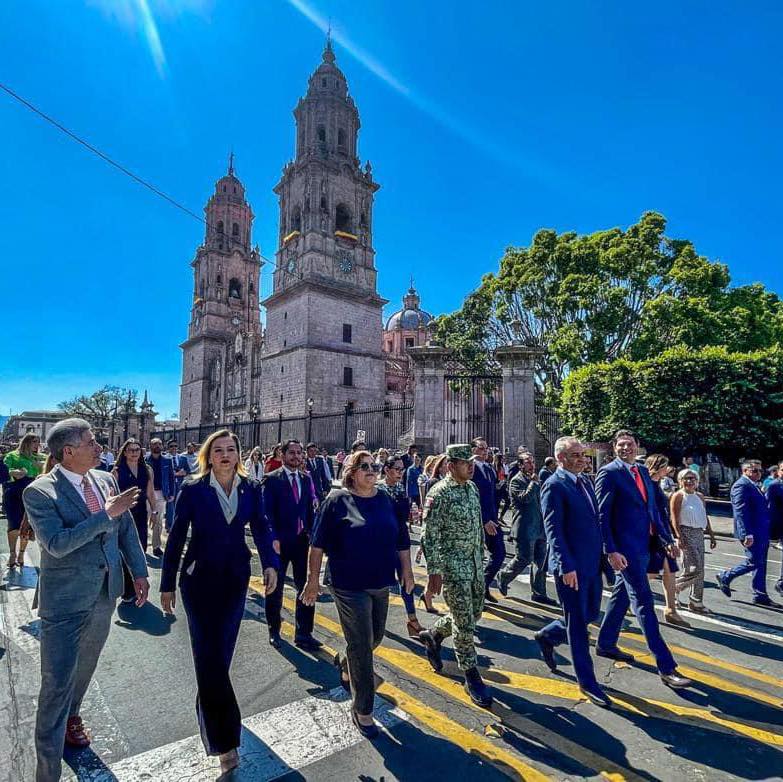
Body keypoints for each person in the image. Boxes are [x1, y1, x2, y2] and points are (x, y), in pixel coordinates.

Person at [23, 418, 148, 781]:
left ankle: (73, 716)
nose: (100, 446)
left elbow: (126, 530)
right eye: (92, 442)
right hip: (64, 603)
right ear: (69, 451)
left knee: (84, 669)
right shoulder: (40, 492)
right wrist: (105, 514)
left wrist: (138, 572)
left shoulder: (106, 480)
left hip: (104, 596)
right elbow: (57, 544)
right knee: (55, 686)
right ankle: (47, 773)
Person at [161, 430, 278, 775]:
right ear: (208, 456)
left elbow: (261, 526)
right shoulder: (194, 490)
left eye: (231, 450)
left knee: (219, 657)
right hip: (198, 581)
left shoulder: (251, 489)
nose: (225, 455)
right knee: (208, 657)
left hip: (234, 580)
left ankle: (208, 711)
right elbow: (178, 535)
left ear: (238, 455)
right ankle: (225, 741)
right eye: (218, 450)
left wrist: (270, 564)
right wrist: (166, 584)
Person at [302, 450, 414, 738]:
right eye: (364, 466)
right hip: (347, 583)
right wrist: (312, 581)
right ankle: (363, 708)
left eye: (374, 466)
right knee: (363, 644)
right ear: (351, 472)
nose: (371, 470)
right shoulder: (337, 501)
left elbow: (401, 538)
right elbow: (317, 545)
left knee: (374, 637)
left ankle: (345, 662)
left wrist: (407, 571)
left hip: (380, 581)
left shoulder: (385, 499)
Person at [595, 430, 692, 690]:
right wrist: (610, 549)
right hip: (626, 550)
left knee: (621, 596)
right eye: (620, 445)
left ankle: (605, 643)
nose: (625, 448)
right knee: (644, 604)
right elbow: (602, 515)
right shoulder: (609, 473)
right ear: (614, 448)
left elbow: (654, 511)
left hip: (646, 546)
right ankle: (666, 667)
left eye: (630, 444)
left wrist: (666, 539)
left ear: (638, 446)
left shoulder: (642, 473)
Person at [534, 437, 610, 707]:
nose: (583, 458)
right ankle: (588, 682)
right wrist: (565, 565)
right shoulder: (554, 486)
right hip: (571, 568)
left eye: (583, 454)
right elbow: (553, 530)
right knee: (578, 625)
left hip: (591, 563)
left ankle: (549, 635)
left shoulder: (585, 482)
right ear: (561, 458)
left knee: (590, 614)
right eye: (576, 455)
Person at [418, 444, 493, 708]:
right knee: (464, 623)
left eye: (471, 462)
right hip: (453, 567)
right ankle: (471, 675)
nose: (471, 467)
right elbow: (429, 535)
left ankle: (434, 635)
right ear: (451, 466)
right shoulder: (440, 493)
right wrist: (434, 572)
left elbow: (476, 523)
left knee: (475, 613)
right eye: (464, 463)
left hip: (474, 564)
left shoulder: (472, 488)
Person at [263, 439, 320, 650]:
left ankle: (304, 633)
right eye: (292, 453)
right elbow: (265, 513)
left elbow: (309, 509)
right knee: (274, 588)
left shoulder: (306, 479)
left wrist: (315, 536)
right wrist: (272, 538)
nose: (296, 456)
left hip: (301, 542)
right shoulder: (272, 480)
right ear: (283, 454)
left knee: (305, 587)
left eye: (299, 453)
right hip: (279, 542)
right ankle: (274, 630)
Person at [716, 460, 777, 606]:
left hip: (761, 531)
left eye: (760, 471)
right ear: (745, 471)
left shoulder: (753, 485)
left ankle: (760, 594)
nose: (758, 473)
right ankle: (725, 576)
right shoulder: (741, 485)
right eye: (755, 471)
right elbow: (740, 512)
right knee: (754, 561)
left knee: (761, 564)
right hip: (752, 532)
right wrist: (746, 534)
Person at [497, 451, 552, 604]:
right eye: (528, 462)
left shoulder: (535, 479)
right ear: (520, 465)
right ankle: (504, 575)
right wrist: (534, 483)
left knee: (541, 562)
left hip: (539, 527)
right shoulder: (516, 481)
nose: (531, 465)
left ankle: (539, 593)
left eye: (532, 462)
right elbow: (524, 499)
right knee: (524, 558)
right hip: (524, 527)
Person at [377, 455, 423, 637]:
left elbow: (402, 515)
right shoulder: (378, 489)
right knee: (380, 584)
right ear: (387, 470)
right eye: (397, 469)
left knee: (407, 579)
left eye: (402, 469)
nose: (400, 473)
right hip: (382, 544)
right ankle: (376, 620)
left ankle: (413, 619)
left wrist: (411, 512)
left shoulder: (399, 488)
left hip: (401, 540)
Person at [644, 454, 688, 629]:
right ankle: (624, 598)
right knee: (650, 573)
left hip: (662, 534)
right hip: (653, 535)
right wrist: (665, 538)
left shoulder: (656, 485)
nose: (668, 469)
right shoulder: (648, 485)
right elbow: (653, 514)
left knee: (669, 570)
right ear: (658, 466)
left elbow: (662, 512)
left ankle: (671, 609)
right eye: (666, 466)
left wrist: (670, 536)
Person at [112, 438, 157, 598]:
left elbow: (150, 492)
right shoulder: (116, 471)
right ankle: (127, 590)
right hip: (123, 514)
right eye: (130, 450)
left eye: (137, 450)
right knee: (124, 550)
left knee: (141, 547)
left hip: (141, 514)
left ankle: (136, 583)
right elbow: (111, 496)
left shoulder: (147, 469)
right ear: (124, 452)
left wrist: (154, 511)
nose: (134, 453)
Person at [671, 468, 716, 614]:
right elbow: (674, 518)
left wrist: (711, 534)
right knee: (693, 568)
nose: (690, 481)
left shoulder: (700, 496)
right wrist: (678, 536)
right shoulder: (678, 496)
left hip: (699, 533)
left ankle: (696, 601)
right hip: (686, 532)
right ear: (681, 481)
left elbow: (704, 515)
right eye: (686, 478)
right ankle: (674, 588)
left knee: (700, 569)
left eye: (692, 478)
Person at [4, 433, 45, 568]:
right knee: (13, 524)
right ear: (26, 442)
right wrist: (13, 472)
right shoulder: (12, 455)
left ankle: (21, 553)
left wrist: (42, 467)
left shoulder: (40, 457)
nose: (37, 445)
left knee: (26, 526)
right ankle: (12, 553)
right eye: (34, 441)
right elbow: (4, 470)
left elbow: (53, 467)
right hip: (14, 493)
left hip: (32, 494)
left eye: (38, 442)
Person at [470, 438, 503, 604]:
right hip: (480, 521)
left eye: (486, 448)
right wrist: (484, 520)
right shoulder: (471, 468)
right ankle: (476, 594)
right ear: (473, 449)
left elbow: (492, 493)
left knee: (499, 553)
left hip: (493, 518)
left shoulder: (489, 467)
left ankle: (483, 586)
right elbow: (474, 498)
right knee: (478, 559)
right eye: (481, 448)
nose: (485, 451)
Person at [146, 438, 175, 556]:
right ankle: (142, 543)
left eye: (159, 443)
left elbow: (171, 478)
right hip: (148, 493)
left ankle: (156, 546)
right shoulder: (144, 460)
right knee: (144, 519)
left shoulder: (168, 460)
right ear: (150, 446)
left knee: (158, 521)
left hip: (162, 494)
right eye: (154, 444)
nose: (157, 446)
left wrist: (172, 493)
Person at [166, 439, 191, 531]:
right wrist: (176, 474)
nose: (174, 448)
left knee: (179, 505)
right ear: (168, 448)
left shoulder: (183, 458)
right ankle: (170, 525)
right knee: (170, 505)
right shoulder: (165, 458)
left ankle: (177, 524)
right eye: (171, 446)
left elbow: (188, 471)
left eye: (175, 446)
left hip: (180, 485)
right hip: (169, 485)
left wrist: (183, 473)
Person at [767, 461, 783, 596]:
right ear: (778, 471)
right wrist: (773, 532)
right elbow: (770, 509)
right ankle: (781, 583)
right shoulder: (774, 486)